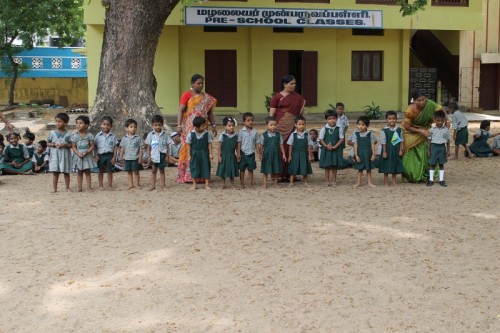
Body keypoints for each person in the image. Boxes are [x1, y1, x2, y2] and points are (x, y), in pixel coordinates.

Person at [176, 74, 217, 183]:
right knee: (189, 149)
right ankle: (188, 176)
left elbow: (210, 113)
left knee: (202, 149)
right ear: (192, 83)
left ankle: (202, 176)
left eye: (202, 83)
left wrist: (214, 125)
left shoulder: (206, 97)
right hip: (189, 127)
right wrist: (179, 126)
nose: (200, 85)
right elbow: (181, 110)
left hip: (203, 127)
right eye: (198, 83)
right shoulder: (186, 95)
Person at [269, 74, 306, 182]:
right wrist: (272, 127)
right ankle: (278, 174)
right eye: (291, 84)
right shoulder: (277, 97)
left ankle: (291, 174)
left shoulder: (298, 98)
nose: (293, 86)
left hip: (293, 127)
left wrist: (300, 126)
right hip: (279, 126)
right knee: (279, 150)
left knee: (292, 149)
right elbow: (272, 114)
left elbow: (301, 114)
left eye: (294, 84)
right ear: (284, 84)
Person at [402, 92, 445, 183]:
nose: (422, 102)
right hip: (412, 133)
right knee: (413, 154)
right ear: (414, 101)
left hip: (426, 131)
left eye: (423, 99)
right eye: (419, 100)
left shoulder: (429, 104)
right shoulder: (410, 111)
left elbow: (440, 109)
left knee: (427, 152)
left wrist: (448, 121)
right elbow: (407, 126)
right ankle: (414, 175)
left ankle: (429, 174)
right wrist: (421, 131)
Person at [258, 116, 286, 188]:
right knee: (266, 169)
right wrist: (260, 154)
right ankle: (265, 184)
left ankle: (275, 183)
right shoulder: (264, 135)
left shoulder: (278, 135)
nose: (273, 127)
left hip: (276, 154)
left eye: (275, 125)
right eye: (271, 125)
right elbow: (261, 146)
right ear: (267, 126)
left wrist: (283, 154)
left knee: (276, 168)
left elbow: (281, 145)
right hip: (267, 155)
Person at [186, 116, 213, 190]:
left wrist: (210, 154)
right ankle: (194, 184)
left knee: (206, 167)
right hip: (194, 153)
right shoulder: (191, 134)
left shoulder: (207, 133)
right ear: (196, 127)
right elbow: (188, 145)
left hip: (204, 153)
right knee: (194, 167)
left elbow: (210, 143)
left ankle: (206, 184)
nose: (204, 127)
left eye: (204, 125)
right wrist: (189, 155)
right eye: (202, 126)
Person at [145, 115, 172, 191]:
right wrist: (149, 156)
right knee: (153, 170)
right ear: (152, 125)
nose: (157, 127)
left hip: (162, 155)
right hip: (154, 155)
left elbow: (167, 146)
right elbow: (148, 146)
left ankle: (163, 185)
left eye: (159, 125)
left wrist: (167, 156)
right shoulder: (150, 135)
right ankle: (153, 185)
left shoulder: (165, 135)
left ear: (162, 125)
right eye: (155, 125)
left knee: (162, 170)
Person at [47, 113, 72, 192]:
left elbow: (72, 145)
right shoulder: (52, 133)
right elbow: (47, 143)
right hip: (55, 155)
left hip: (64, 155)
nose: (57, 123)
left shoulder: (68, 134)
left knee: (66, 172)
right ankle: (54, 189)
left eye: (59, 121)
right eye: (56, 121)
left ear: (65, 123)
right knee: (55, 172)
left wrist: (65, 145)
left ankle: (67, 188)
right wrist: (54, 145)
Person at [378, 111, 404, 186]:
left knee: (394, 165)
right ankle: (385, 181)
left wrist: (401, 150)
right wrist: (384, 151)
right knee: (386, 165)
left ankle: (394, 181)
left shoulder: (399, 130)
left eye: (393, 118)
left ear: (396, 119)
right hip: (387, 150)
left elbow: (401, 140)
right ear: (387, 120)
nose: (391, 120)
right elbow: (383, 142)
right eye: (389, 119)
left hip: (396, 150)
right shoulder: (384, 130)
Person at [319, 110, 344, 186]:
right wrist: (326, 145)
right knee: (327, 166)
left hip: (335, 150)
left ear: (336, 119)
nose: (332, 120)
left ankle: (334, 181)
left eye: (333, 118)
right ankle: (327, 181)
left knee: (334, 166)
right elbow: (321, 139)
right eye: (329, 119)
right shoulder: (324, 129)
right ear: (326, 119)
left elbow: (341, 138)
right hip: (326, 150)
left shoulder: (339, 128)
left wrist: (335, 146)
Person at [71, 115, 96, 192]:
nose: (78, 125)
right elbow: (73, 146)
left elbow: (92, 146)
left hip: (87, 156)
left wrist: (87, 152)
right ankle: (79, 187)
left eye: (81, 123)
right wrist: (78, 153)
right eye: (77, 123)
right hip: (78, 156)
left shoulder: (89, 135)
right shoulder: (75, 136)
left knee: (87, 172)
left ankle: (89, 187)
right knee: (79, 172)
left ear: (86, 125)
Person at [287, 115, 313, 187]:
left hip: (304, 154)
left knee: (304, 167)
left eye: (303, 124)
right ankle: (291, 182)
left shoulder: (307, 135)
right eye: (299, 124)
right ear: (295, 125)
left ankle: (306, 182)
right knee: (293, 167)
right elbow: (290, 145)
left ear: (305, 124)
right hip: (295, 154)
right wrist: (289, 155)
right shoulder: (293, 135)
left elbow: (309, 145)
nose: (301, 126)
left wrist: (309, 155)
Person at [427, 110, 451, 187]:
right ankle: (431, 180)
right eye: (438, 120)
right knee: (432, 164)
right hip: (434, 147)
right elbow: (429, 140)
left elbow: (448, 141)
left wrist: (448, 150)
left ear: (444, 120)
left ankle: (441, 180)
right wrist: (429, 150)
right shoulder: (431, 130)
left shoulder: (446, 130)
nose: (440, 122)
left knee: (441, 164)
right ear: (435, 120)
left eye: (442, 120)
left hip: (442, 147)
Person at [94, 116, 118, 190]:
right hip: (100, 156)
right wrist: (96, 155)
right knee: (100, 170)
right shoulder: (97, 136)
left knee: (110, 170)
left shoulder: (113, 136)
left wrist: (114, 157)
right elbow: (94, 146)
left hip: (109, 155)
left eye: (108, 125)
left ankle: (110, 185)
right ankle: (101, 185)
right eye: (104, 124)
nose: (105, 126)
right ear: (101, 125)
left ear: (111, 126)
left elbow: (115, 147)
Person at [353, 116, 377, 188]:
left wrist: (373, 154)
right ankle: (358, 183)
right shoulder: (356, 134)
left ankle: (369, 182)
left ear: (367, 126)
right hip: (360, 154)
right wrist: (356, 155)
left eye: (363, 125)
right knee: (360, 169)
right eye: (359, 124)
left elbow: (373, 144)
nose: (360, 126)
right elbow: (355, 145)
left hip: (368, 154)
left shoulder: (370, 134)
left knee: (368, 169)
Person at [216, 116, 239, 189]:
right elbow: (219, 147)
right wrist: (219, 156)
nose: (231, 127)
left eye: (232, 126)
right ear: (225, 126)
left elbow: (237, 146)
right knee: (223, 170)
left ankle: (232, 184)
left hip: (232, 155)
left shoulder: (236, 135)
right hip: (224, 155)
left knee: (232, 170)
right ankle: (223, 184)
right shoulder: (222, 136)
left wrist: (238, 154)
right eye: (229, 126)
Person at [237, 112, 258, 189]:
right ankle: (242, 184)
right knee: (242, 169)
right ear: (244, 122)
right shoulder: (241, 132)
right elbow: (239, 143)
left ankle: (250, 184)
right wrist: (238, 153)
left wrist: (258, 153)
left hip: (251, 153)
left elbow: (256, 143)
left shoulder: (255, 132)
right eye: (248, 120)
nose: (250, 122)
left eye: (252, 120)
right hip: (243, 153)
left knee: (250, 169)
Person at [120, 119, 143, 190]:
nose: (133, 128)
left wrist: (140, 157)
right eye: (131, 127)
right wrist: (121, 156)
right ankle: (130, 184)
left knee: (136, 171)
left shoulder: (138, 138)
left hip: (135, 158)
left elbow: (140, 148)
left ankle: (137, 184)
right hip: (127, 158)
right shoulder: (124, 138)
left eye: (134, 127)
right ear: (126, 128)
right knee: (129, 172)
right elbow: (122, 148)